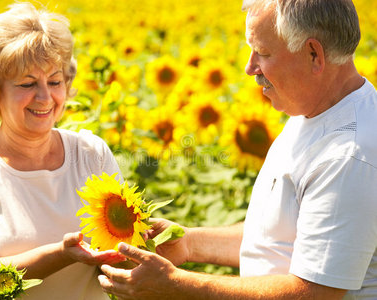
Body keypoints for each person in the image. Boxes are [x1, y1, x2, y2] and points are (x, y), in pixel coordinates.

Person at [98, 0, 377, 299]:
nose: (250, 67)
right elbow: (280, 238)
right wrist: (189, 243)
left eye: (264, 53)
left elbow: (313, 293)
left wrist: (174, 284)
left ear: (313, 54)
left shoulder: (348, 154)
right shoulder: (315, 111)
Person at [0, 3, 124, 299]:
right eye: (27, 83)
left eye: (55, 81)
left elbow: (121, 246)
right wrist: (63, 254)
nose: (45, 97)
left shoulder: (91, 152)